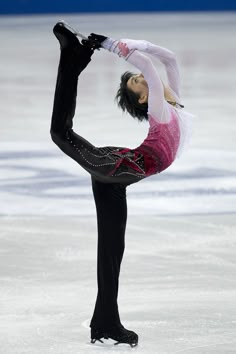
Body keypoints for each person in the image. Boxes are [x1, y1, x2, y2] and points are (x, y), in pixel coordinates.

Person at [50, 22, 193, 347]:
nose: (142, 78)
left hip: (120, 170)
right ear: (144, 97)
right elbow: (147, 65)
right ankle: (71, 58)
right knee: (61, 133)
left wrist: (126, 42)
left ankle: (105, 323)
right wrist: (108, 44)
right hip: (123, 166)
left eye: (136, 79)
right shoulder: (157, 107)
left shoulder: (174, 103)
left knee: (112, 249)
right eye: (137, 82)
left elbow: (167, 58)